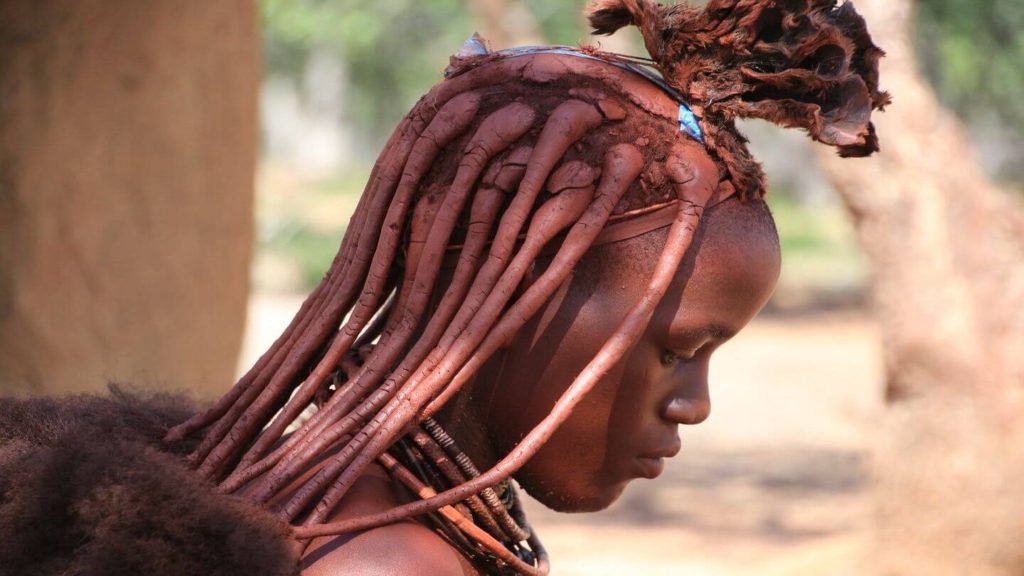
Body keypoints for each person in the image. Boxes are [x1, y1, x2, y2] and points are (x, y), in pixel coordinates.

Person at [0, 1, 886, 575]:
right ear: (516, 305)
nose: (691, 406)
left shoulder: (331, 504)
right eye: (674, 352)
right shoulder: (389, 566)